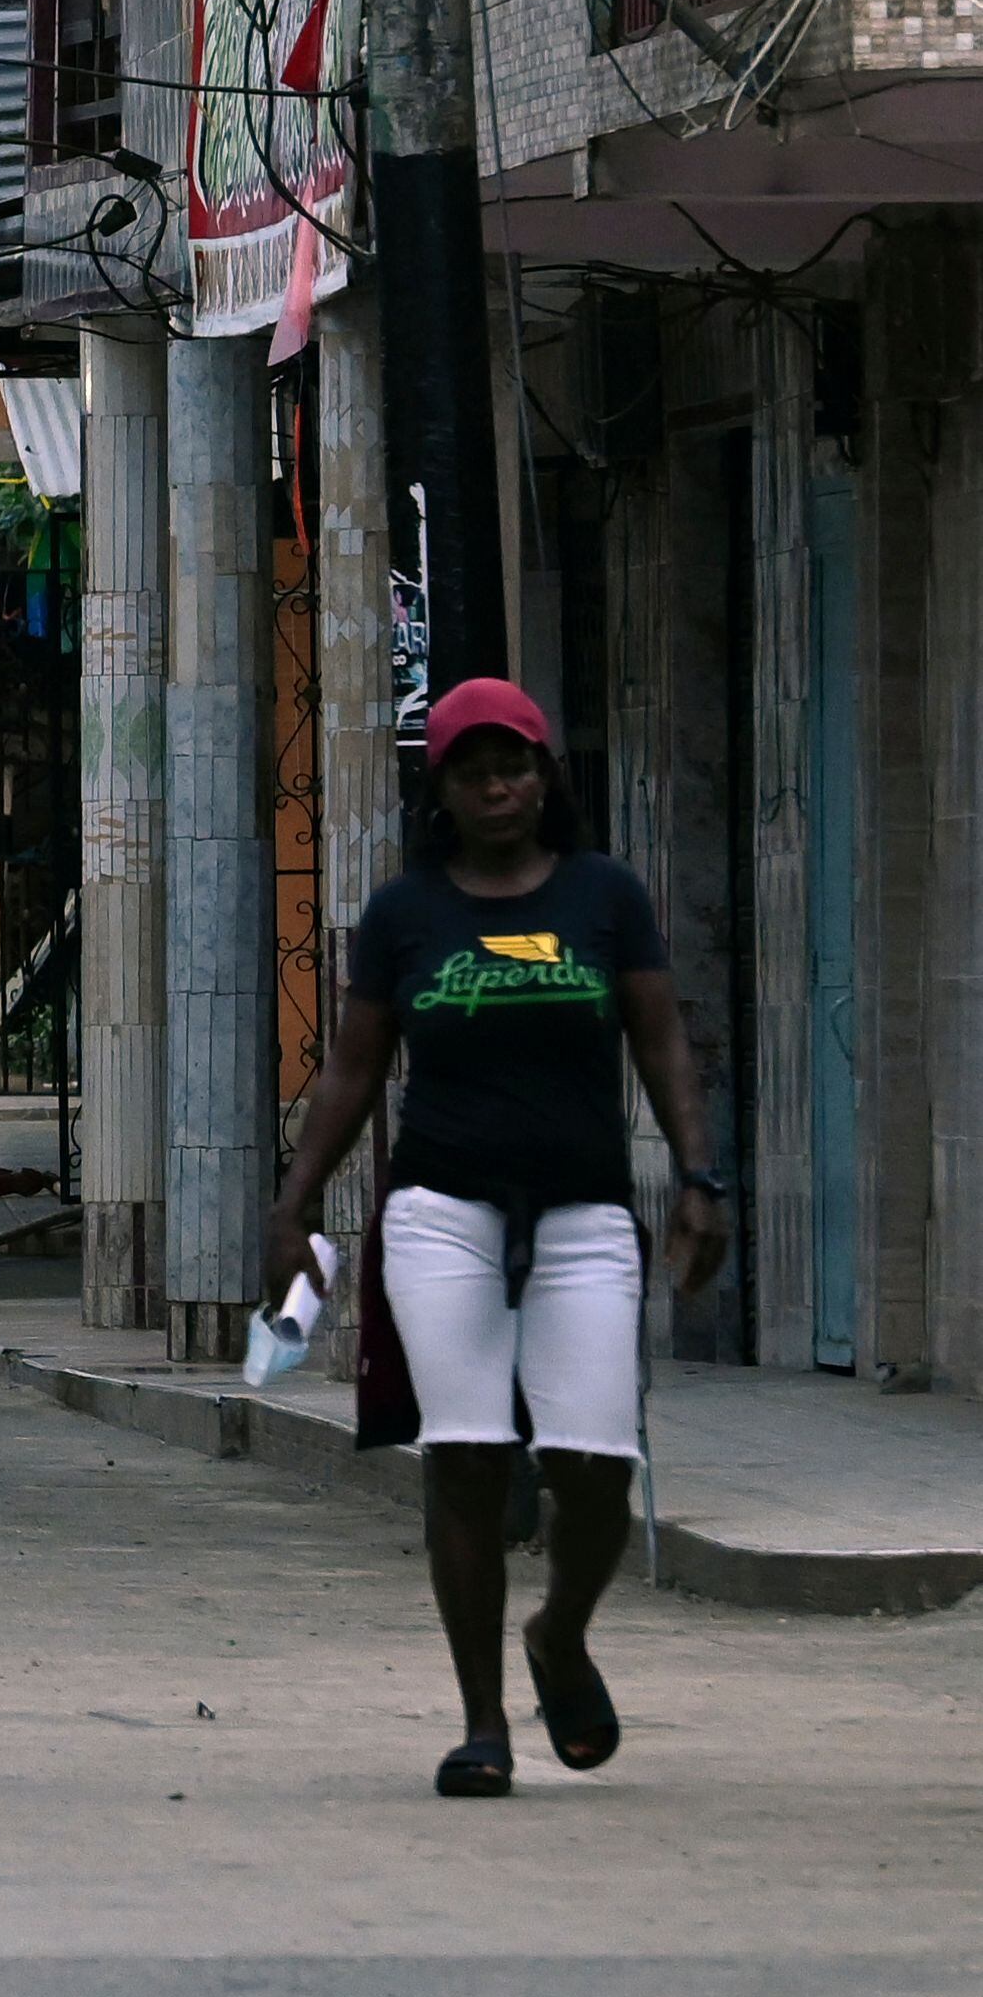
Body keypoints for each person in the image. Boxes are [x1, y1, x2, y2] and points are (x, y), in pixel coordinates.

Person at [264, 678, 722, 1799]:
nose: (496, 785)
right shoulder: (405, 913)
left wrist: (698, 1177)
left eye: (512, 764)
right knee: (466, 1456)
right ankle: (481, 1723)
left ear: (542, 774)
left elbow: (659, 1038)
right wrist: (293, 1204)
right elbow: (354, 1067)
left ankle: (558, 1633)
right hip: (442, 1212)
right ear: (446, 793)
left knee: (595, 1461)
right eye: (471, 771)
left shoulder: (604, 896)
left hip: (582, 1213)